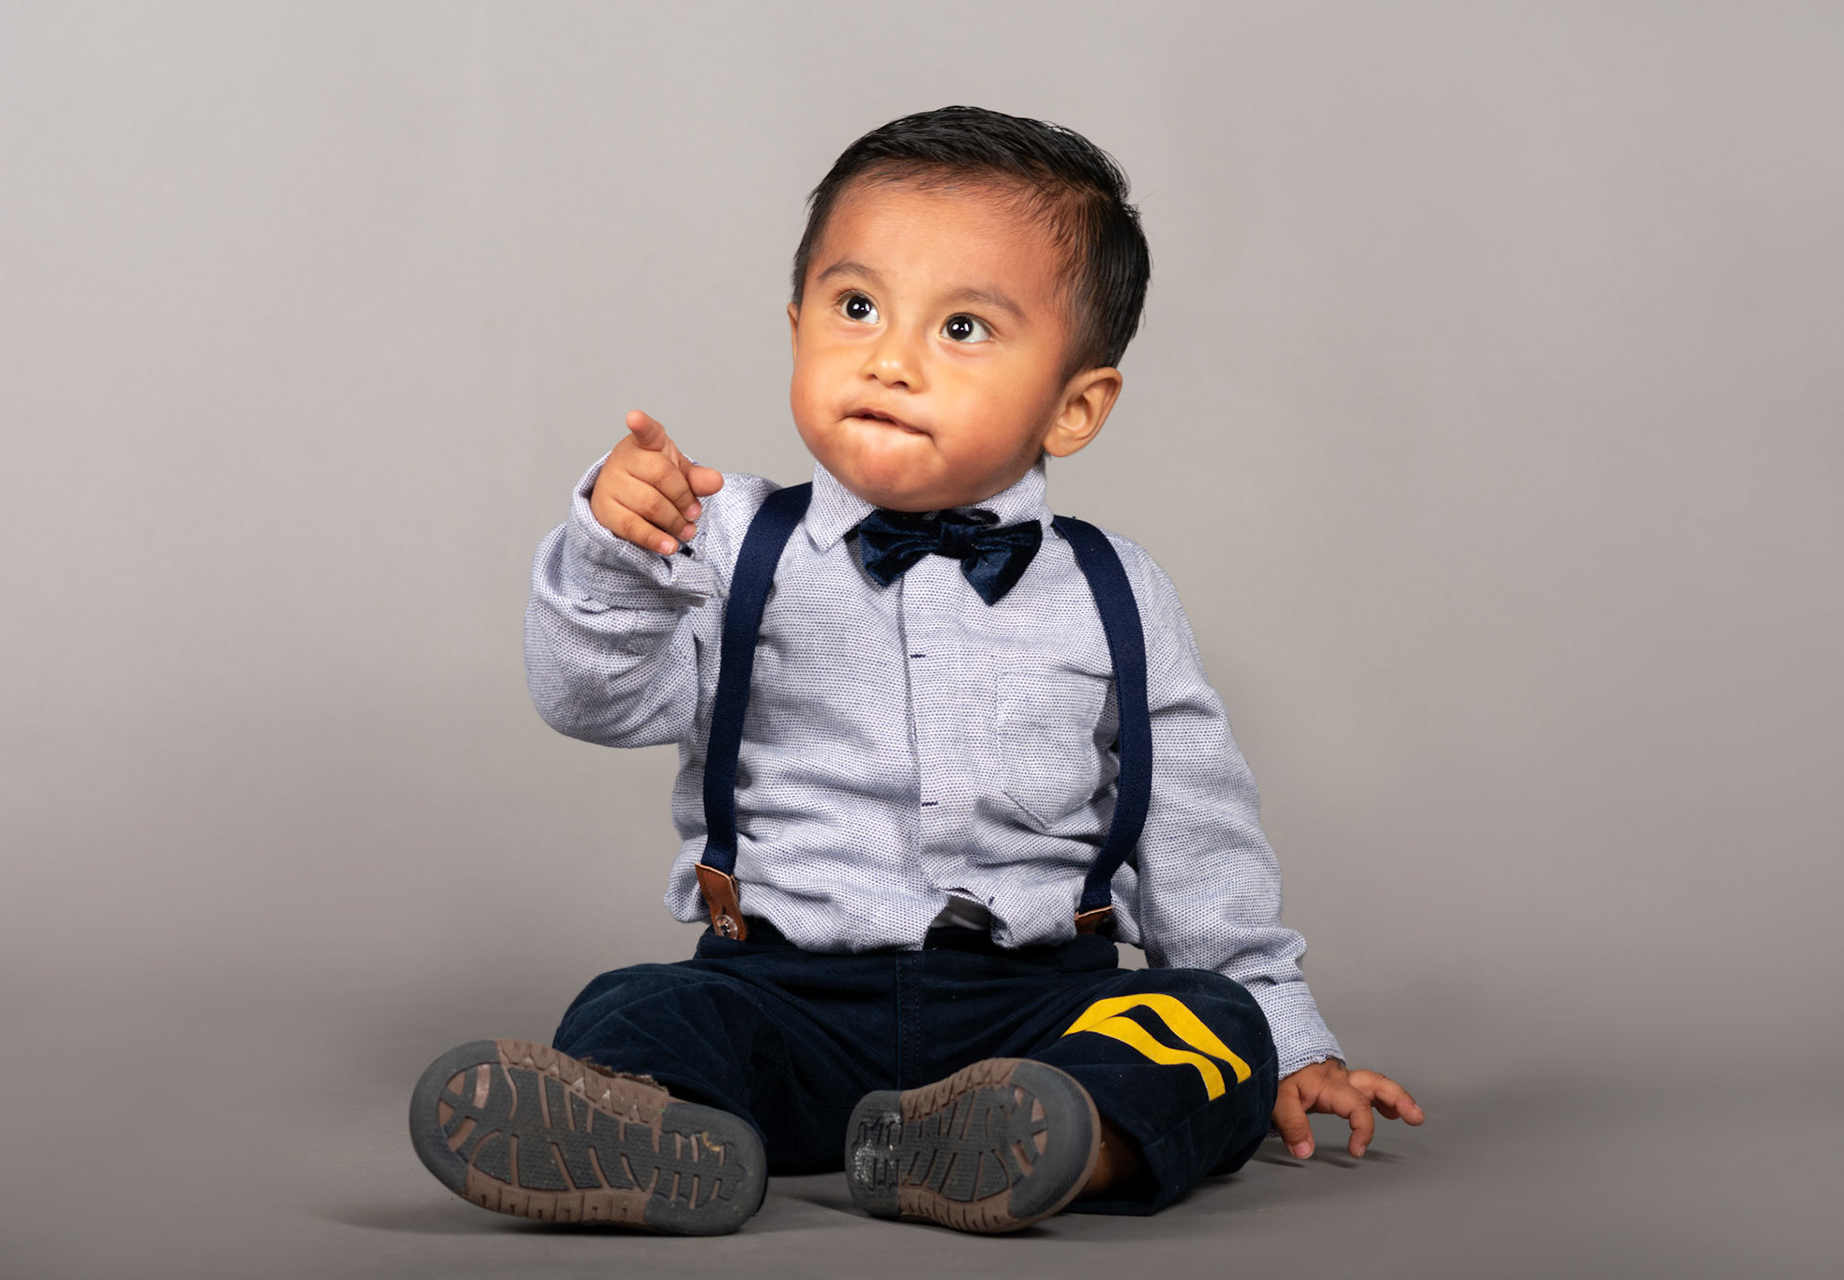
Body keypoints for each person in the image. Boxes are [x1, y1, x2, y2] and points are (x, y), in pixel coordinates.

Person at [409, 105, 1422, 1237]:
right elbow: (587, 699)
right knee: (639, 1006)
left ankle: (1046, 1140)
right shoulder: (719, 537)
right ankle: (655, 1129)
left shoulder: (1114, 589)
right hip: (778, 994)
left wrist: (1290, 1037)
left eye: (964, 328)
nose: (888, 359)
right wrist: (614, 550)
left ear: (1075, 405)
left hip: (1036, 1005)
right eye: (856, 308)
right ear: (796, 326)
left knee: (1211, 1026)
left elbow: (1196, 827)